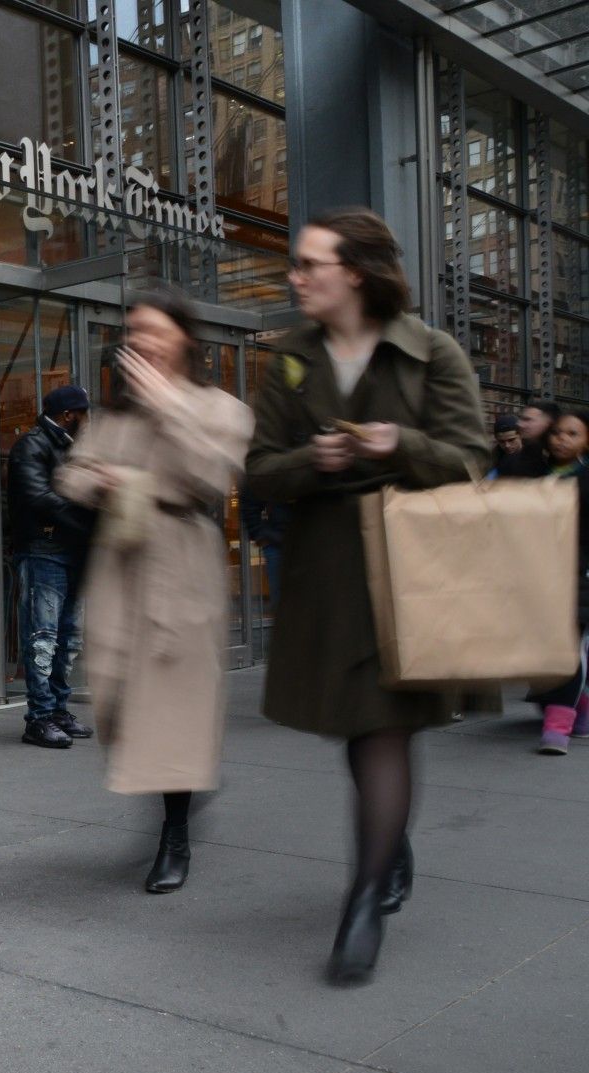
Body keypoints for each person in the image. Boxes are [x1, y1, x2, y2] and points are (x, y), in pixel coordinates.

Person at [244, 207, 488, 986]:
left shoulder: (432, 351)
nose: (296, 277)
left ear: (355, 271)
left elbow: (472, 461)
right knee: (357, 730)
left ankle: (362, 901)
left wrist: (397, 444)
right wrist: (312, 461)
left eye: (310, 264)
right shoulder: (287, 359)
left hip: (410, 576)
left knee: (382, 732)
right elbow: (257, 470)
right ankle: (392, 850)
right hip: (322, 578)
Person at [55, 289, 252, 893]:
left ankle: (174, 834)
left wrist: (170, 405)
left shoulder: (217, 406)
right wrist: (101, 479)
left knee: (171, 707)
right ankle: (187, 782)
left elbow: (216, 470)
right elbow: (70, 474)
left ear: (183, 340)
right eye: (134, 330)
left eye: (154, 330)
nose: (140, 340)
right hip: (121, 564)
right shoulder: (114, 418)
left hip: (181, 565)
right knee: (115, 699)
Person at [8, 385, 96, 748]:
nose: (88, 422)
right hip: (44, 550)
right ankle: (39, 717)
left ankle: (58, 709)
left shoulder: (70, 446)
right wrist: (84, 516)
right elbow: (37, 496)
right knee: (42, 638)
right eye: (84, 415)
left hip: (71, 551)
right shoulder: (32, 445)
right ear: (68, 415)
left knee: (68, 637)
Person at [533, 412, 589, 755]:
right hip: (536, 573)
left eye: (573, 433)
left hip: (579, 573)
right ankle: (581, 708)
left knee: (570, 647)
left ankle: (557, 727)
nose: (562, 438)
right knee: (547, 648)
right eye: (556, 432)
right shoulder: (530, 473)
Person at [497, 401, 561, 478]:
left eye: (527, 419)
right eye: (521, 419)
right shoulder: (510, 463)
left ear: (548, 423)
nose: (519, 424)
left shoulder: (568, 461)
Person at [487, 413, 524, 478]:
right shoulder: (493, 459)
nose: (507, 445)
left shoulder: (536, 455)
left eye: (511, 440)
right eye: (501, 441)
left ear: (521, 435)